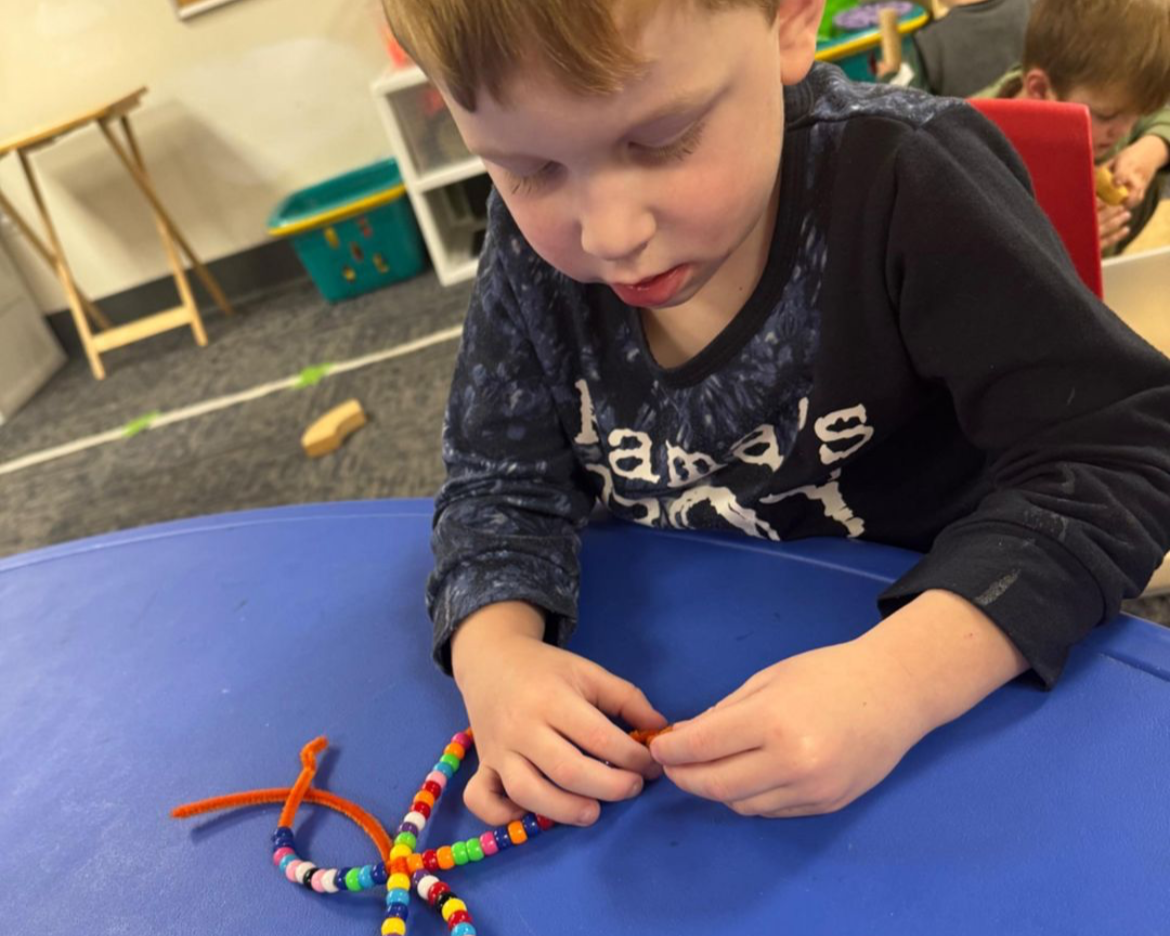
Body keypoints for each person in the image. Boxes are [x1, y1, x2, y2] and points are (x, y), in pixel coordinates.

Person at [383, 0, 1170, 828]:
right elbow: (497, 486)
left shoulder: (909, 178)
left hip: (952, 700)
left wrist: (900, 681)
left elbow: (1121, 455)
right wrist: (497, 657)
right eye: (527, 169)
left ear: (793, 19)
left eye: (662, 138)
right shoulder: (526, 250)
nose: (613, 235)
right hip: (691, 692)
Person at [975, 0, 1170, 255]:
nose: (1123, 131)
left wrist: (1151, 149)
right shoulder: (970, 148)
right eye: (1107, 115)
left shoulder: (1107, 100)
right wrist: (1063, 248)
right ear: (1040, 89)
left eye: (1137, 115)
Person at [880, 0, 1033, 98]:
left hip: (970, 142)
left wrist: (890, 78)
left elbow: (911, 109)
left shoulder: (928, 41)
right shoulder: (1032, 8)